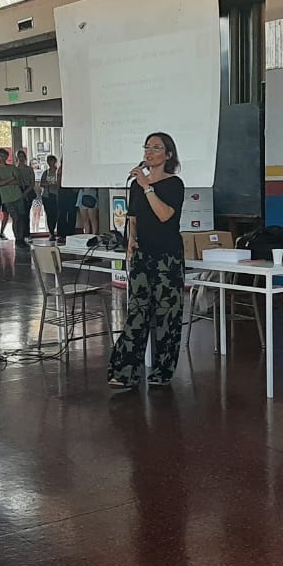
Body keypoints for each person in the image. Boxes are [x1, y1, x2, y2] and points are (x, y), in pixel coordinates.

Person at [108, 132, 186, 389]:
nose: (149, 152)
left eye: (156, 148)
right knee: (137, 312)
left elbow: (165, 215)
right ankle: (125, 372)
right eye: (147, 147)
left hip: (167, 257)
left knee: (167, 314)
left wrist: (147, 186)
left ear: (168, 155)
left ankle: (163, 371)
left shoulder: (174, 184)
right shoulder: (136, 186)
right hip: (142, 255)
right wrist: (131, 238)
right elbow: (133, 217)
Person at [0, 148, 25, 244]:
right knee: (15, 218)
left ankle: (21, 237)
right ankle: (17, 238)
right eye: (1, 155)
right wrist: (12, 178)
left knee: (21, 217)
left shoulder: (12, 167)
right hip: (6, 198)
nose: (3, 157)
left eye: (4, 155)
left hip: (18, 195)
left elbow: (19, 181)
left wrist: (6, 182)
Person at [16, 150, 36, 243]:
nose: (21, 158)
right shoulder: (15, 169)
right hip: (18, 191)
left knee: (26, 214)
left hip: (28, 191)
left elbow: (32, 183)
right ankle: (19, 235)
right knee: (19, 215)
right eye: (19, 156)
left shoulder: (29, 169)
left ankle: (27, 234)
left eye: (22, 156)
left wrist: (25, 193)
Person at [42, 155, 62, 238]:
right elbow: (41, 184)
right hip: (47, 196)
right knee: (49, 215)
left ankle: (59, 232)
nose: (51, 163)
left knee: (57, 214)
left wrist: (57, 184)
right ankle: (51, 232)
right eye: (49, 161)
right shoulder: (46, 172)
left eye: (52, 161)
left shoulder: (59, 172)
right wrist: (48, 184)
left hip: (57, 195)